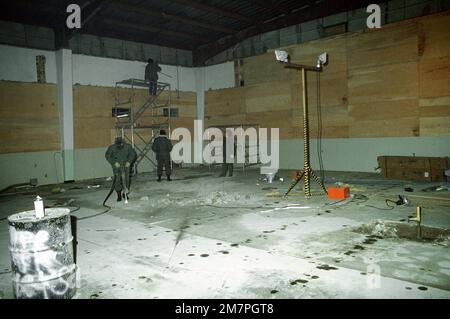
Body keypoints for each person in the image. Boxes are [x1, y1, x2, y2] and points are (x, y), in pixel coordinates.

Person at [105, 137, 137, 201]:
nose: (120, 146)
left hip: (126, 165)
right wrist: (114, 162)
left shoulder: (128, 146)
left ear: (123, 143)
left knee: (126, 179)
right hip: (117, 166)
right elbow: (107, 155)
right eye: (118, 145)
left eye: (121, 145)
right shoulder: (112, 147)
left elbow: (133, 154)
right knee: (117, 180)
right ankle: (119, 194)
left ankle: (125, 194)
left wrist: (129, 161)